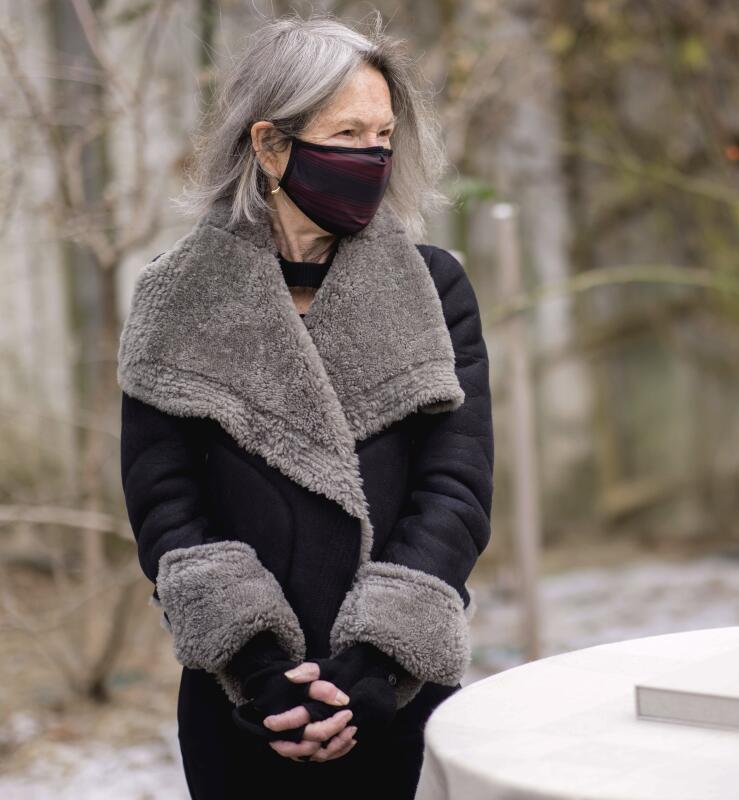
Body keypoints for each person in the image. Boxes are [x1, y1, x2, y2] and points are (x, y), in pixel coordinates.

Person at [116, 12, 493, 798]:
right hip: (243, 706)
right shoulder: (175, 298)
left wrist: (375, 663)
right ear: (270, 145)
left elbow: (456, 491)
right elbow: (167, 509)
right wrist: (260, 671)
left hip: (399, 699)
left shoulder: (433, 288)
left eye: (383, 135)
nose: (374, 157)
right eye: (348, 133)